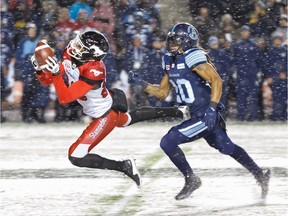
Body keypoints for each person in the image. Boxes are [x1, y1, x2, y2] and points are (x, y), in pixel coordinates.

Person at [128, 23, 271, 200]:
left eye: (177, 40)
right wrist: (143, 85)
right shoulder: (170, 60)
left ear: (188, 41)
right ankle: (260, 174)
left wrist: (212, 107)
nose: (172, 44)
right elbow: (163, 92)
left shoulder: (192, 56)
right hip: (197, 114)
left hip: (204, 115)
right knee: (226, 147)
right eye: (171, 40)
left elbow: (217, 80)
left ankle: (191, 179)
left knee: (168, 142)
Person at [30, 30, 189, 187]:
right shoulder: (70, 54)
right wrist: (40, 69)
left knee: (76, 155)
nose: (74, 47)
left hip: (104, 114)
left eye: (80, 47)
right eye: (77, 43)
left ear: (92, 54)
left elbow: (65, 97)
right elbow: (47, 80)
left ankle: (124, 166)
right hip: (106, 104)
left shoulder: (94, 69)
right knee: (128, 119)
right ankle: (178, 111)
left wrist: (57, 75)